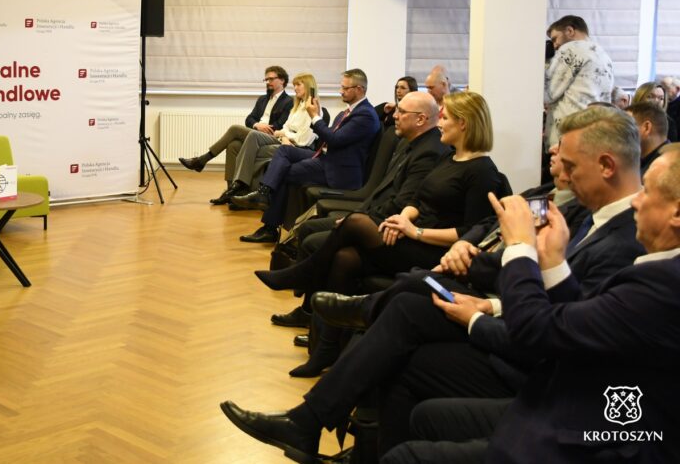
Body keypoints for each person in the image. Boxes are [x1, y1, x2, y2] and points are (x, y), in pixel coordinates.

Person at [222, 107, 649, 462]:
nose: (562, 174)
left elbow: (561, 330)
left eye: (570, 166)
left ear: (607, 166)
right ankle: (332, 429)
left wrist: (484, 311)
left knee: (404, 302)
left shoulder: (621, 240)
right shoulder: (581, 212)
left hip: (532, 359)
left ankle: (323, 406)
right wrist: (474, 262)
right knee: (404, 314)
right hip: (504, 311)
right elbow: (504, 245)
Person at [386, 146, 680, 464]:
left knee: (405, 456)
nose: (636, 201)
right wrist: (552, 261)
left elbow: (537, 331)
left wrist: (520, 247)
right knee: (423, 409)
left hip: (596, 433)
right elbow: (573, 325)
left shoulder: (664, 282)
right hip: (581, 407)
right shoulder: (659, 272)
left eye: (647, 191)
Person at [258, 91, 507, 375]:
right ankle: (325, 349)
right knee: (344, 259)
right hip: (410, 234)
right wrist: (403, 218)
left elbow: (471, 233)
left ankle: (303, 273)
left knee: (355, 223)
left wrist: (415, 231)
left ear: (463, 123)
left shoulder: (483, 172)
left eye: (446, 118)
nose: (439, 123)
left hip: (435, 252)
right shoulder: (449, 158)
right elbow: (418, 200)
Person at [263, 91, 449, 332]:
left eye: (402, 112)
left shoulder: (429, 151)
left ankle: (308, 300)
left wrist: (358, 219)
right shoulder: (411, 143)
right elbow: (381, 192)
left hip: (391, 227)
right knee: (309, 228)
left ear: (421, 119)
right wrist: (356, 215)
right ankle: (309, 309)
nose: (395, 116)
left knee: (321, 244)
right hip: (377, 215)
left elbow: (401, 203)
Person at [231, 69, 380, 243]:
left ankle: (269, 224)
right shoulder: (346, 112)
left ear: (359, 89)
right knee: (284, 151)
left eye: (345, 88)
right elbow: (331, 138)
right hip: (326, 158)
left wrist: (315, 117)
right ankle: (264, 194)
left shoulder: (365, 115)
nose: (341, 91)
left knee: (283, 172)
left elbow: (334, 139)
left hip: (338, 170)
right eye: (341, 87)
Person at [211, 72, 319, 205]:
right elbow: (280, 127)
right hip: (279, 138)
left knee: (244, 136)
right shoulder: (295, 106)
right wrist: (281, 134)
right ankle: (233, 189)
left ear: (308, 86)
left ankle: (241, 187)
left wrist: (285, 135)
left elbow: (302, 139)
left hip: (292, 145)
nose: (295, 88)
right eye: (294, 85)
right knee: (236, 144)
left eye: (298, 85)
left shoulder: (309, 108)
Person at [178, 66, 292, 177]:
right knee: (233, 145)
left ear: (282, 80)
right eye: (266, 80)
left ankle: (202, 160)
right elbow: (249, 119)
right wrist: (257, 125)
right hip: (255, 133)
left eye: (271, 79)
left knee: (234, 129)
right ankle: (231, 187)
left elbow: (280, 125)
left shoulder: (288, 101)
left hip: (271, 136)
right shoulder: (262, 99)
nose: (268, 82)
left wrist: (264, 128)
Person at [544, 14, 613, 148]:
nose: (555, 45)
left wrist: (544, 64)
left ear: (570, 31)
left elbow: (548, 94)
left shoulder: (570, 49)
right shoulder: (604, 56)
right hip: (594, 132)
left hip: (568, 134)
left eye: (555, 39)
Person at [627, 101, 669, 178]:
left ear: (646, 128)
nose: (620, 133)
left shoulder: (667, 169)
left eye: (626, 126)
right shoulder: (640, 160)